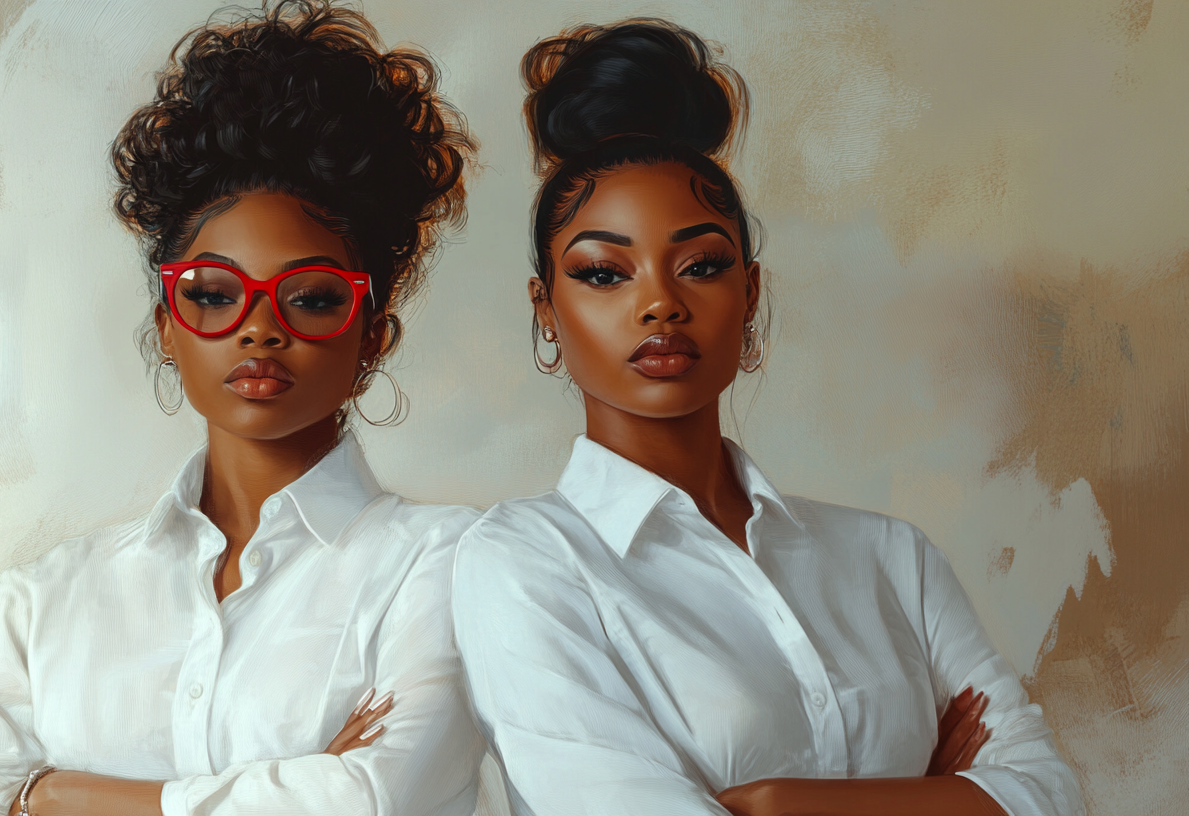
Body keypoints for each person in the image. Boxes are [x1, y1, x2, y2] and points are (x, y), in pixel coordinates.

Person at [452, 18, 1083, 816]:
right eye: (605, 273)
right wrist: (930, 797)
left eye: (702, 265)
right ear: (547, 309)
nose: (659, 303)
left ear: (749, 293)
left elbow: (1050, 798)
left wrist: (777, 802)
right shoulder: (522, 564)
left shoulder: (894, 562)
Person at [0, 3, 482, 814]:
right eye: (212, 293)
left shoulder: (450, 566)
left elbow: (371, 800)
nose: (260, 327)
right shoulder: (45, 601)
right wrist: (299, 780)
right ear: (168, 326)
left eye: (311, 297)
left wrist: (53, 798)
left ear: (373, 335)